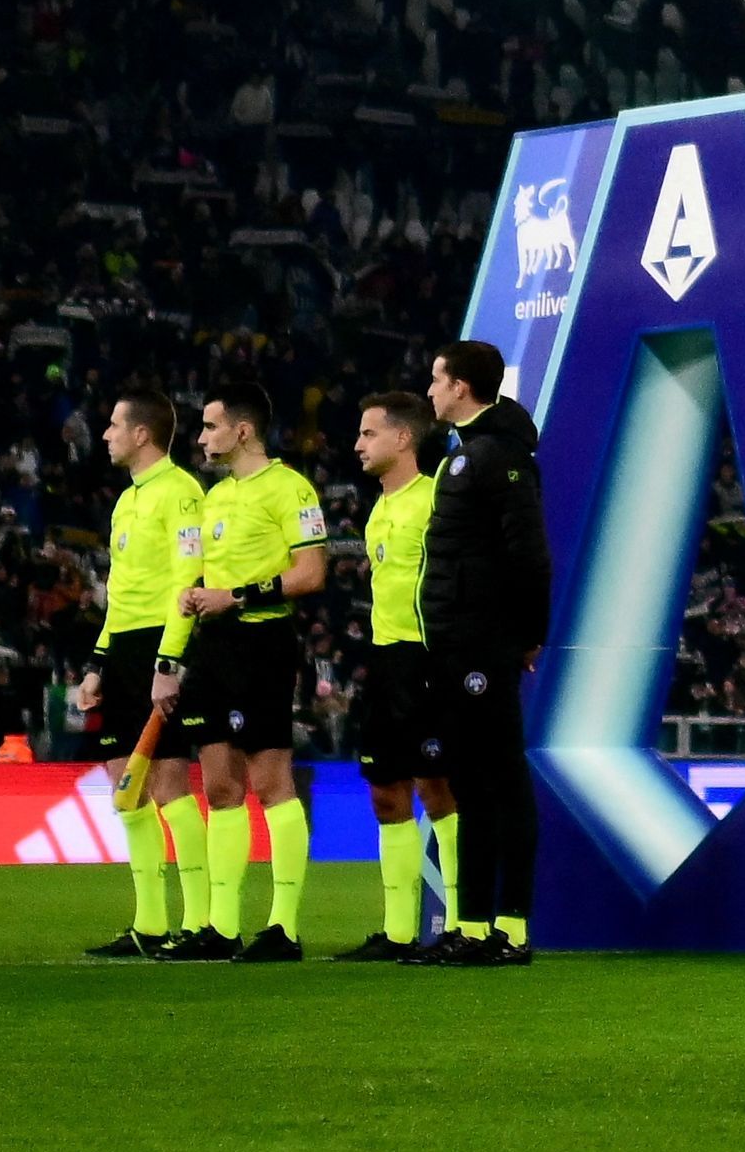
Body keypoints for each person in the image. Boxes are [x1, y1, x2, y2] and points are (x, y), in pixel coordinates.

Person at [169, 387, 331, 962]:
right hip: (214, 646)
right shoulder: (214, 497)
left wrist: (233, 595)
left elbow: (311, 572)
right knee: (218, 787)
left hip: (263, 640)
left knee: (270, 784)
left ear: (243, 431)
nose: (202, 436)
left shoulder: (291, 488)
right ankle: (222, 926)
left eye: (211, 426)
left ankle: (284, 928)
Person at [420, 336, 555, 966]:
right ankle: (472, 927)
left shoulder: (499, 457)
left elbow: (529, 554)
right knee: (472, 783)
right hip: (456, 641)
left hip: (483, 641)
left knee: (501, 778)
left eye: (437, 380)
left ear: (462, 388)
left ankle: (513, 928)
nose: (429, 391)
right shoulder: (469, 454)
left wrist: (528, 634)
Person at [72, 389, 204, 962]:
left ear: (142, 434)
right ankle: (149, 924)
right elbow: (120, 595)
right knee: (126, 791)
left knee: (171, 789)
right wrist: (97, 665)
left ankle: (201, 923)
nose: (105, 434)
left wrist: (168, 661)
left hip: (158, 647)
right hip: (123, 649)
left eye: (113, 424)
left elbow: (187, 578)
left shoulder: (181, 494)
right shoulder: (127, 501)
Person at [339, 391, 454, 963]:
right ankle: (399, 931)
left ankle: (460, 925)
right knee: (386, 794)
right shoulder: (379, 509)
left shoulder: (435, 499)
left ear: (403, 438)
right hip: (387, 661)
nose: (358, 444)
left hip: (428, 657)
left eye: (368, 433)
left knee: (439, 789)